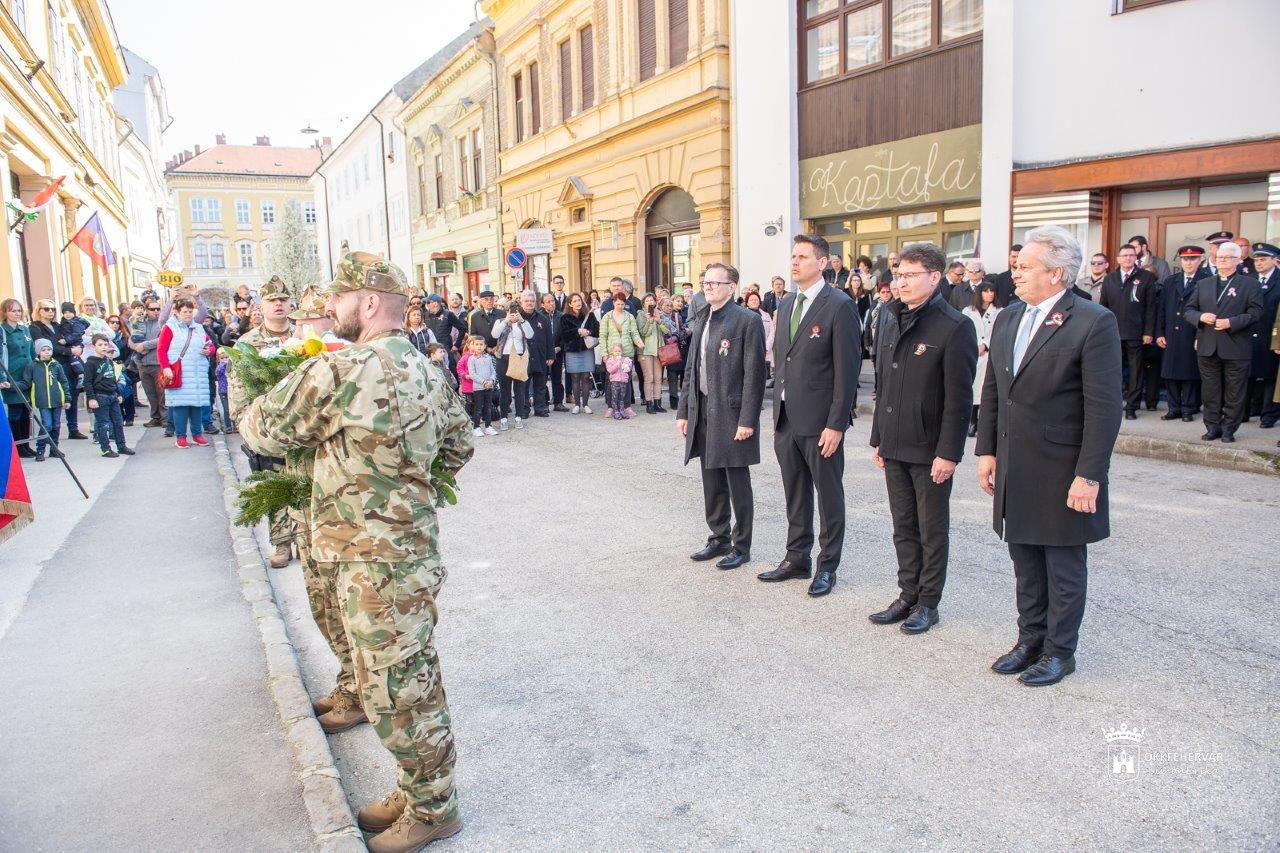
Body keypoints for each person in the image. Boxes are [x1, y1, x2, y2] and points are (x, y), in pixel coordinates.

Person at [238, 250, 474, 852]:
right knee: (403, 676)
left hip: (368, 559)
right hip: (406, 550)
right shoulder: (426, 369)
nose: (331, 308)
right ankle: (417, 789)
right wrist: (406, 491)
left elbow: (263, 428)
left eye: (338, 298)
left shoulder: (343, 369)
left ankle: (434, 808)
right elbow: (459, 445)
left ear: (368, 303)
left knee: (398, 688)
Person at [976, 225, 1122, 687]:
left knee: (1061, 565)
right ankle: (1030, 639)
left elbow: (1104, 408)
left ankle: (1060, 651)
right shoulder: (1009, 317)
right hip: (1015, 461)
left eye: (1024, 266)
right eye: (1015, 266)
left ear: (1056, 273)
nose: (1015, 273)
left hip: (1062, 466)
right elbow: (995, 389)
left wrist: (1089, 476)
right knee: (1024, 559)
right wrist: (987, 450)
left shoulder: (1092, 321)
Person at [869, 243, 978, 634]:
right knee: (903, 526)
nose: (901, 282)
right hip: (895, 442)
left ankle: (928, 602)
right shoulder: (890, 316)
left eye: (910, 275)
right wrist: (879, 437)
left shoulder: (954, 326)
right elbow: (884, 382)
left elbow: (959, 398)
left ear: (934, 277)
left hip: (930, 449)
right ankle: (907, 594)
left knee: (931, 529)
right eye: (898, 275)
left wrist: (949, 453)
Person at [760, 234, 861, 597]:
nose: (794, 261)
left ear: (821, 263)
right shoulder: (787, 302)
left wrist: (836, 423)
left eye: (802, 256)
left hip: (821, 422)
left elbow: (847, 371)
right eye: (793, 256)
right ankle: (796, 557)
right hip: (787, 417)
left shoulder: (840, 305)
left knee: (828, 495)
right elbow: (784, 360)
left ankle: (827, 566)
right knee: (795, 492)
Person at [678, 261, 766, 571]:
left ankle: (741, 545)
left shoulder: (747, 320)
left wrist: (747, 420)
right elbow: (692, 368)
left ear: (732, 287)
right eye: (706, 282)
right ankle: (719, 537)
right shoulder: (703, 317)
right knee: (711, 477)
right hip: (703, 408)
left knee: (736, 480)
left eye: (715, 283)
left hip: (732, 412)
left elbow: (755, 375)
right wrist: (684, 411)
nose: (708, 287)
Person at [228, 276, 297, 566]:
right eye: (272, 300)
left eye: (283, 299)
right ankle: (282, 543)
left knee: (306, 484)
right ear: (262, 305)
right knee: (274, 485)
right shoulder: (248, 343)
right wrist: (246, 425)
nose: (278, 304)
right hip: (266, 425)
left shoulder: (304, 336)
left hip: (301, 424)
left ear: (291, 303)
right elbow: (238, 388)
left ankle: (307, 541)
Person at [1183, 240, 1264, 442]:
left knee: (1234, 392)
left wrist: (1231, 322)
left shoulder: (1250, 284)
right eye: (1219, 257)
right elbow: (1189, 310)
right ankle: (1212, 427)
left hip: (1236, 346)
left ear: (1238, 260)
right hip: (1208, 345)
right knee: (1210, 391)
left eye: (1227, 257)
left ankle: (1229, 429)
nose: (1222, 261)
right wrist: (1201, 317)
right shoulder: (1203, 284)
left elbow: (1256, 313)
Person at [1099, 244, 1159, 419]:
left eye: (1131, 255)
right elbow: (1103, 307)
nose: (1128, 258)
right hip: (1114, 333)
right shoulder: (1110, 279)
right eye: (1124, 255)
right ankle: (1114, 403)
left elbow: (1151, 308)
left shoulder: (1146, 277)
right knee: (1113, 370)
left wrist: (1148, 332)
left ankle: (1132, 406)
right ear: (1118, 259)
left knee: (1136, 371)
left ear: (1136, 258)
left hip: (1136, 333)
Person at [1155, 246, 1209, 422]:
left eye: (1193, 259)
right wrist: (1159, 332)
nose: (1188, 262)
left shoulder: (1206, 280)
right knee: (1170, 372)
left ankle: (1188, 408)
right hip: (1171, 332)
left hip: (1192, 332)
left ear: (1200, 260)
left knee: (1189, 373)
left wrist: (1200, 336)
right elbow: (1162, 308)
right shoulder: (1171, 281)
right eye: (1185, 259)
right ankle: (1174, 407)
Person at [157, 296, 213, 449]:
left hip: (197, 373)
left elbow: (210, 344)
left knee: (197, 406)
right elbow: (161, 349)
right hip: (179, 372)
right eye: (184, 311)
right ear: (177, 312)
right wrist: (166, 367)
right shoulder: (169, 327)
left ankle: (197, 435)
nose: (188, 314)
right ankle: (181, 437)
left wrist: (209, 350)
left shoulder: (199, 328)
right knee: (180, 406)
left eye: (190, 311)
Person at [83, 333, 133, 458]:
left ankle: (121, 446)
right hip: (100, 396)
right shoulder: (90, 363)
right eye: (100, 345)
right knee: (103, 424)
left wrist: (118, 393)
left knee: (118, 422)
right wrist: (91, 398)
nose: (103, 347)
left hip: (112, 395)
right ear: (94, 346)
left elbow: (113, 379)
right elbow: (87, 382)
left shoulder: (108, 361)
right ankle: (105, 448)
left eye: (105, 344)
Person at [1246, 242, 1280, 427]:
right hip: (1248, 335)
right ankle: (1244, 412)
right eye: (1256, 260)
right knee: (1246, 375)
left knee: (1270, 377)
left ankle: (1269, 415)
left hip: (1270, 336)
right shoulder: (1249, 279)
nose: (1258, 263)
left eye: (1263, 259)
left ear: (1275, 260)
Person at [19, 338, 69, 461]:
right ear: (38, 352)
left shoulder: (56, 365)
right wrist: (11, 385)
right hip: (43, 402)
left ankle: (54, 449)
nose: (47, 352)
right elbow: (26, 383)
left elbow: (64, 382)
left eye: (49, 349)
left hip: (57, 401)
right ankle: (40, 450)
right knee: (47, 425)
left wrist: (67, 399)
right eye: (43, 350)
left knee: (56, 425)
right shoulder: (32, 366)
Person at [962, 281, 1000, 437]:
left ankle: (984, 424)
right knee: (973, 388)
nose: (990, 294)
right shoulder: (968, 311)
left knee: (987, 389)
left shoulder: (1000, 311)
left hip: (990, 354)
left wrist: (985, 345)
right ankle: (972, 422)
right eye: (986, 291)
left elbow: (1000, 332)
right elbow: (963, 331)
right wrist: (974, 346)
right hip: (972, 353)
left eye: (992, 291)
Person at [492, 294, 535, 429]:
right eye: (510, 310)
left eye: (516, 311)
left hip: (519, 357)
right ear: (506, 311)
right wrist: (506, 321)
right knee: (504, 390)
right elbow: (494, 335)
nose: (513, 313)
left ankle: (518, 417)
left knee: (520, 390)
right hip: (503, 358)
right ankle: (504, 418)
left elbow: (530, 335)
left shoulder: (524, 322)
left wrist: (521, 321)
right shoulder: (500, 321)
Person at [598, 292, 644, 417]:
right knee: (610, 381)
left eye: (622, 304)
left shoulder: (629, 317)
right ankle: (611, 407)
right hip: (611, 353)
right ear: (613, 303)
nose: (620, 306)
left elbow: (634, 333)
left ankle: (627, 406)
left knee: (626, 380)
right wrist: (604, 353)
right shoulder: (607, 317)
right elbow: (602, 336)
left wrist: (638, 342)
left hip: (627, 353)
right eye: (618, 304)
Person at [1, 298, 34, 457]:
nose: (17, 313)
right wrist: (1, 378)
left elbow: (32, 351)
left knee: (26, 411)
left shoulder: (24, 329)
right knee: (15, 413)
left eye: (19, 310)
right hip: (11, 375)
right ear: (5, 312)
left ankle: (25, 445)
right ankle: (17, 447)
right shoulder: (2, 330)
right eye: (13, 311)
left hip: (27, 374)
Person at [131, 299, 167, 431]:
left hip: (158, 363)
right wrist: (136, 347)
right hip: (142, 363)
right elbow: (131, 338)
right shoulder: (140, 322)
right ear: (146, 310)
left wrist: (144, 345)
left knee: (162, 393)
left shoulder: (163, 323)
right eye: (152, 309)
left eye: (158, 309)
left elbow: (162, 339)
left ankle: (165, 418)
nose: (156, 311)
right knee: (150, 393)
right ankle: (155, 417)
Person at [559, 293, 598, 414]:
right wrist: (577, 331)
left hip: (586, 350)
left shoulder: (589, 315)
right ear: (570, 304)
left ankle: (586, 404)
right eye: (575, 301)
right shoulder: (565, 317)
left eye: (579, 300)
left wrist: (588, 332)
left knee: (586, 377)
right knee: (575, 377)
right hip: (572, 351)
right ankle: (577, 405)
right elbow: (564, 335)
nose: (578, 303)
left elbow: (597, 330)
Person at [636, 294, 671, 414]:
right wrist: (650, 321)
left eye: (652, 300)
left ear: (655, 302)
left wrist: (659, 320)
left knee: (658, 378)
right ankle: (649, 404)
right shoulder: (641, 315)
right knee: (649, 377)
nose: (650, 302)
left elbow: (667, 330)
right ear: (643, 304)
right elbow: (643, 332)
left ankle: (657, 403)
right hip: (645, 351)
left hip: (658, 350)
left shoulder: (659, 313)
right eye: (647, 300)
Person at [460, 335, 498, 435]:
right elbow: (472, 374)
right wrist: (484, 382)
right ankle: (476, 427)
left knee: (488, 407)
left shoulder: (488, 358)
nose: (479, 346)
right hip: (478, 388)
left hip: (489, 387)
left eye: (481, 344)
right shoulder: (471, 359)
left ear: (485, 346)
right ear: (473, 346)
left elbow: (493, 371)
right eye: (477, 344)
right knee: (478, 407)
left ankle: (488, 426)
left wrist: (491, 380)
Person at [539, 292, 569, 412]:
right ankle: (544, 403)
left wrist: (560, 347)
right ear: (542, 304)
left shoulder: (561, 316)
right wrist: (546, 349)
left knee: (557, 378)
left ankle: (558, 402)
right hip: (543, 352)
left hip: (557, 351)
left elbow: (565, 334)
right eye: (548, 302)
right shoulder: (539, 316)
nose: (552, 303)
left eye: (553, 301)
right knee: (542, 378)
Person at [604, 344, 634, 419]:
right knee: (615, 397)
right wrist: (617, 364)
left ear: (622, 352)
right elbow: (610, 370)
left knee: (622, 397)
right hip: (615, 381)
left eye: (619, 351)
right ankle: (615, 411)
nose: (617, 353)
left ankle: (621, 410)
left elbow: (628, 369)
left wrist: (628, 364)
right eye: (615, 351)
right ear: (612, 352)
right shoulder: (610, 360)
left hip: (623, 381)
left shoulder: (625, 359)